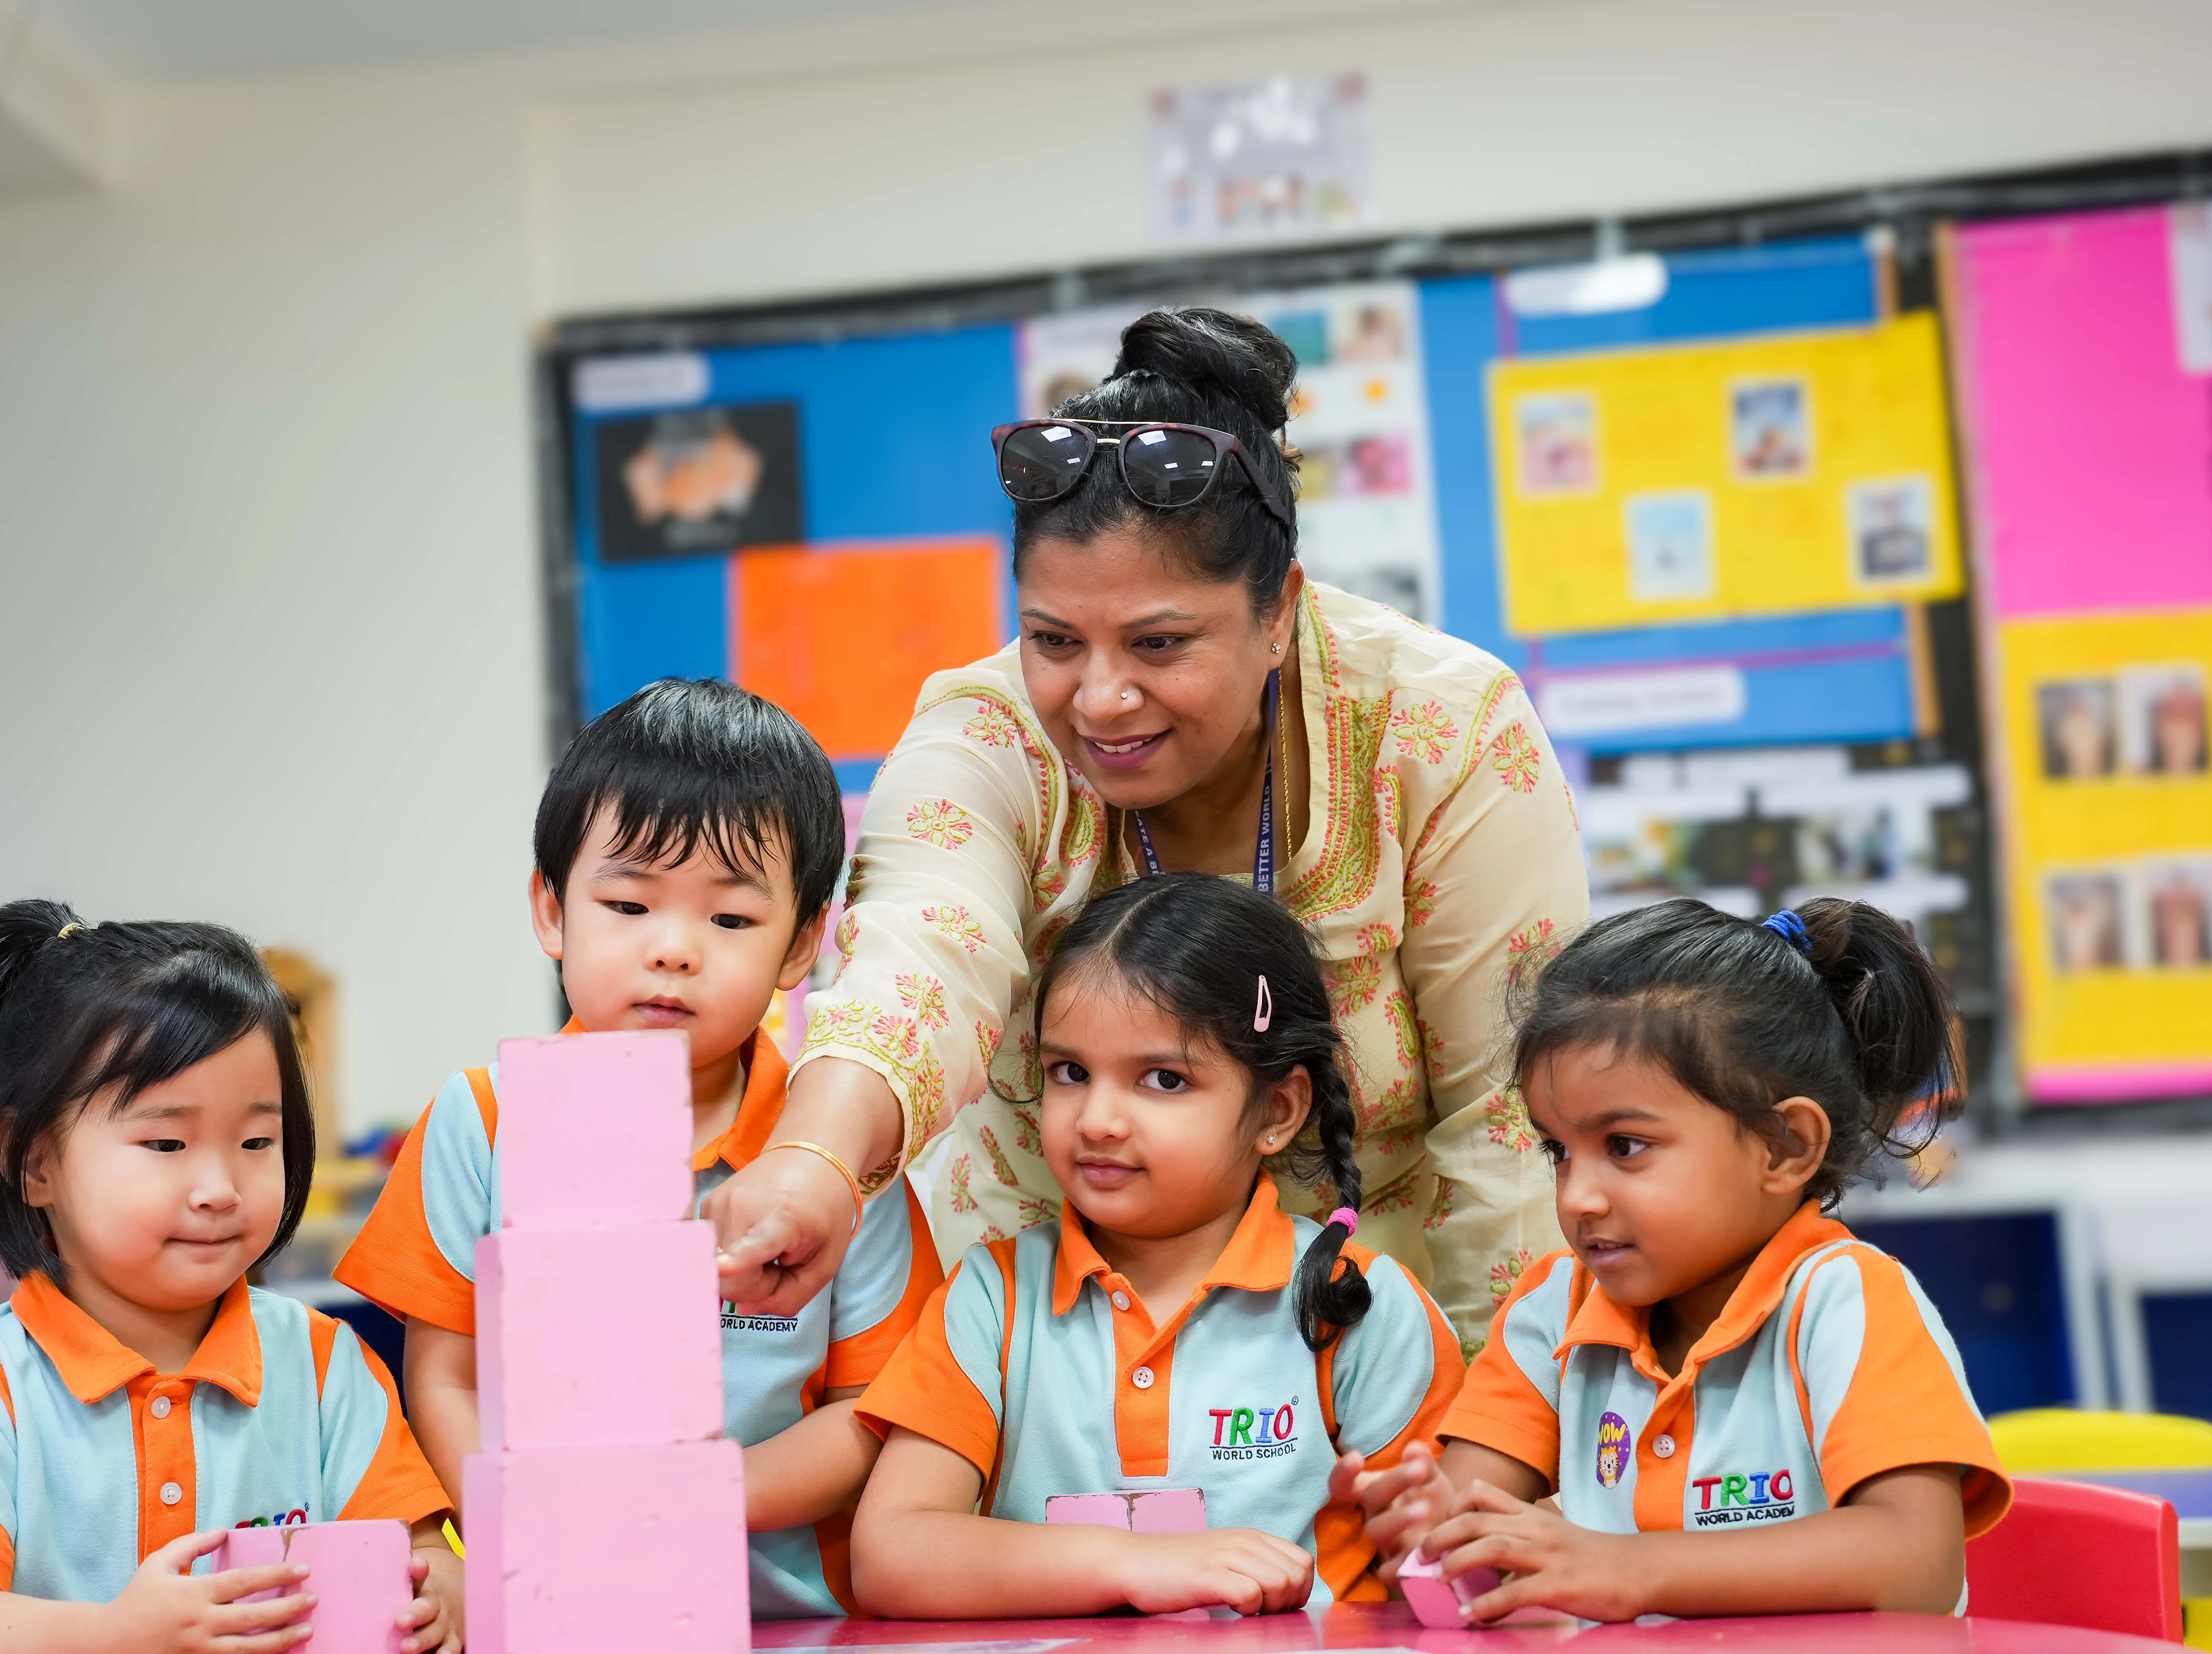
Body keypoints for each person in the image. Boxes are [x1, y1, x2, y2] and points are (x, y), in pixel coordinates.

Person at [705, 307, 1587, 1365]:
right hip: (1048, 1350)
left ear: (1278, 612)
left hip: (1384, 1350)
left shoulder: (1439, 728)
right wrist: (814, 1157)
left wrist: (1493, 1423)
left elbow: (1511, 1115)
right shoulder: (984, 736)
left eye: (1159, 643)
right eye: (1053, 640)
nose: (1101, 697)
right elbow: (923, 951)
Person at [336, 678, 940, 1618]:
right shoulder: (480, 1120)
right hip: (555, 1605)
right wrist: (542, 1520)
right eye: (627, 905)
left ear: (800, 945)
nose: (673, 950)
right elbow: (445, 1379)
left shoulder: (835, 1149)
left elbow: (872, 1413)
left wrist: (685, 1502)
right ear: (551, 911)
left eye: (729, 920)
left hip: (787, 1617)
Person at [1338, 897, 2008, 1623]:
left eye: (1625, 1146)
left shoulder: (1849, 1305)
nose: (1578, 1198)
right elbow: (1471, 1524)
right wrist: (1433, 1527)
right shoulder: (1552, 1311)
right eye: (1559, 1150)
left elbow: (1918, 1565)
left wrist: (1631, 1570)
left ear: (1784, 1146)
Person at [0, 903, 459, 1654]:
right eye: (166, 1143)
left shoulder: (325, 1368)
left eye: (257, 1141)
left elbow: (420, 1548)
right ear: (33, 1161)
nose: (220, 1188)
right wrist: (113, 1635)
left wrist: (441, 1590)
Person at [848, 875, 1465, 1618]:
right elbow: (889, 1556)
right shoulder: (990, 1299)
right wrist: (1131, 1564)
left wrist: (1427, 1537)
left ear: (1278, 1110)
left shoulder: (1361, 1304)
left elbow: (1453, 1568)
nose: (1097, 1120)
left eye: (1164, 1080)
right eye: (1070, 1073)